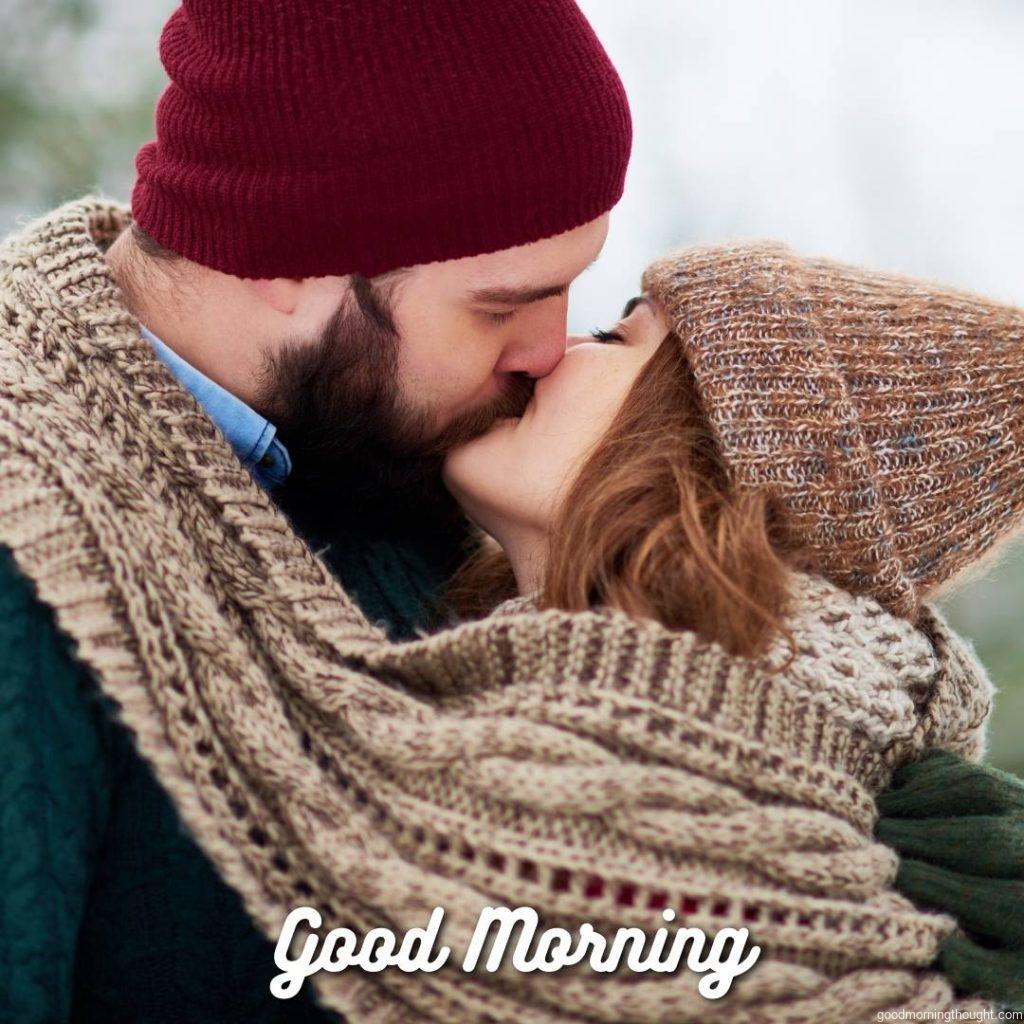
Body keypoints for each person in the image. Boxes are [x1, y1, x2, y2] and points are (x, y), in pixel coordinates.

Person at [2, 202, 1022, 1021]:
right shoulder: (389, 598)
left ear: (703, 459)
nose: (547, 351)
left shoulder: (832, 869)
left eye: (616, 335)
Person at [0, 1, 631, 1021]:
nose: (548, 351)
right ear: (288, 253)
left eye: (569, 290)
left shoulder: (398, 467)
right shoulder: (31, 540)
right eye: (501, 304)